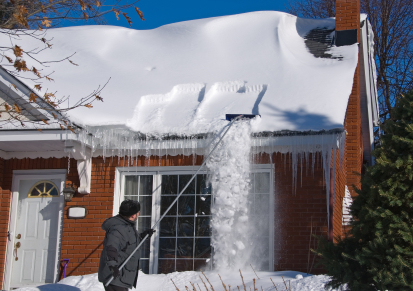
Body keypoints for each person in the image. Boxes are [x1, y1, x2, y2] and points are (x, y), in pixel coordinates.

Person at [98, 199, 155, 291]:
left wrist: (142, 237)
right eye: (137, 212)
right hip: (115, 276)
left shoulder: (127, 226)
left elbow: (127, 245)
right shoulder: (118, 229)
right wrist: (112, 266)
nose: (138, 214)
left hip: (122, 277)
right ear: (133, 215)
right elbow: (111, 247)